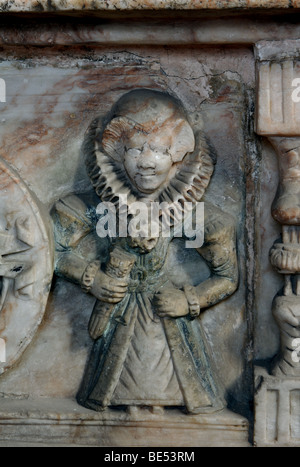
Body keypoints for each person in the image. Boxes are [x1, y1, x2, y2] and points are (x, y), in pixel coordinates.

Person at [52, 89, 239, 414]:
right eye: (135, 149)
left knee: (166, 377)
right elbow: (51, 246)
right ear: (114, 150)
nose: (147, 162)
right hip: (120, 315)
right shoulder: (93, 207)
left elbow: (227, 276)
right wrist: (91, 278)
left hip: (167, 319)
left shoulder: (202, 218)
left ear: (180, 153)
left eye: (161, 150)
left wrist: (189, 300)